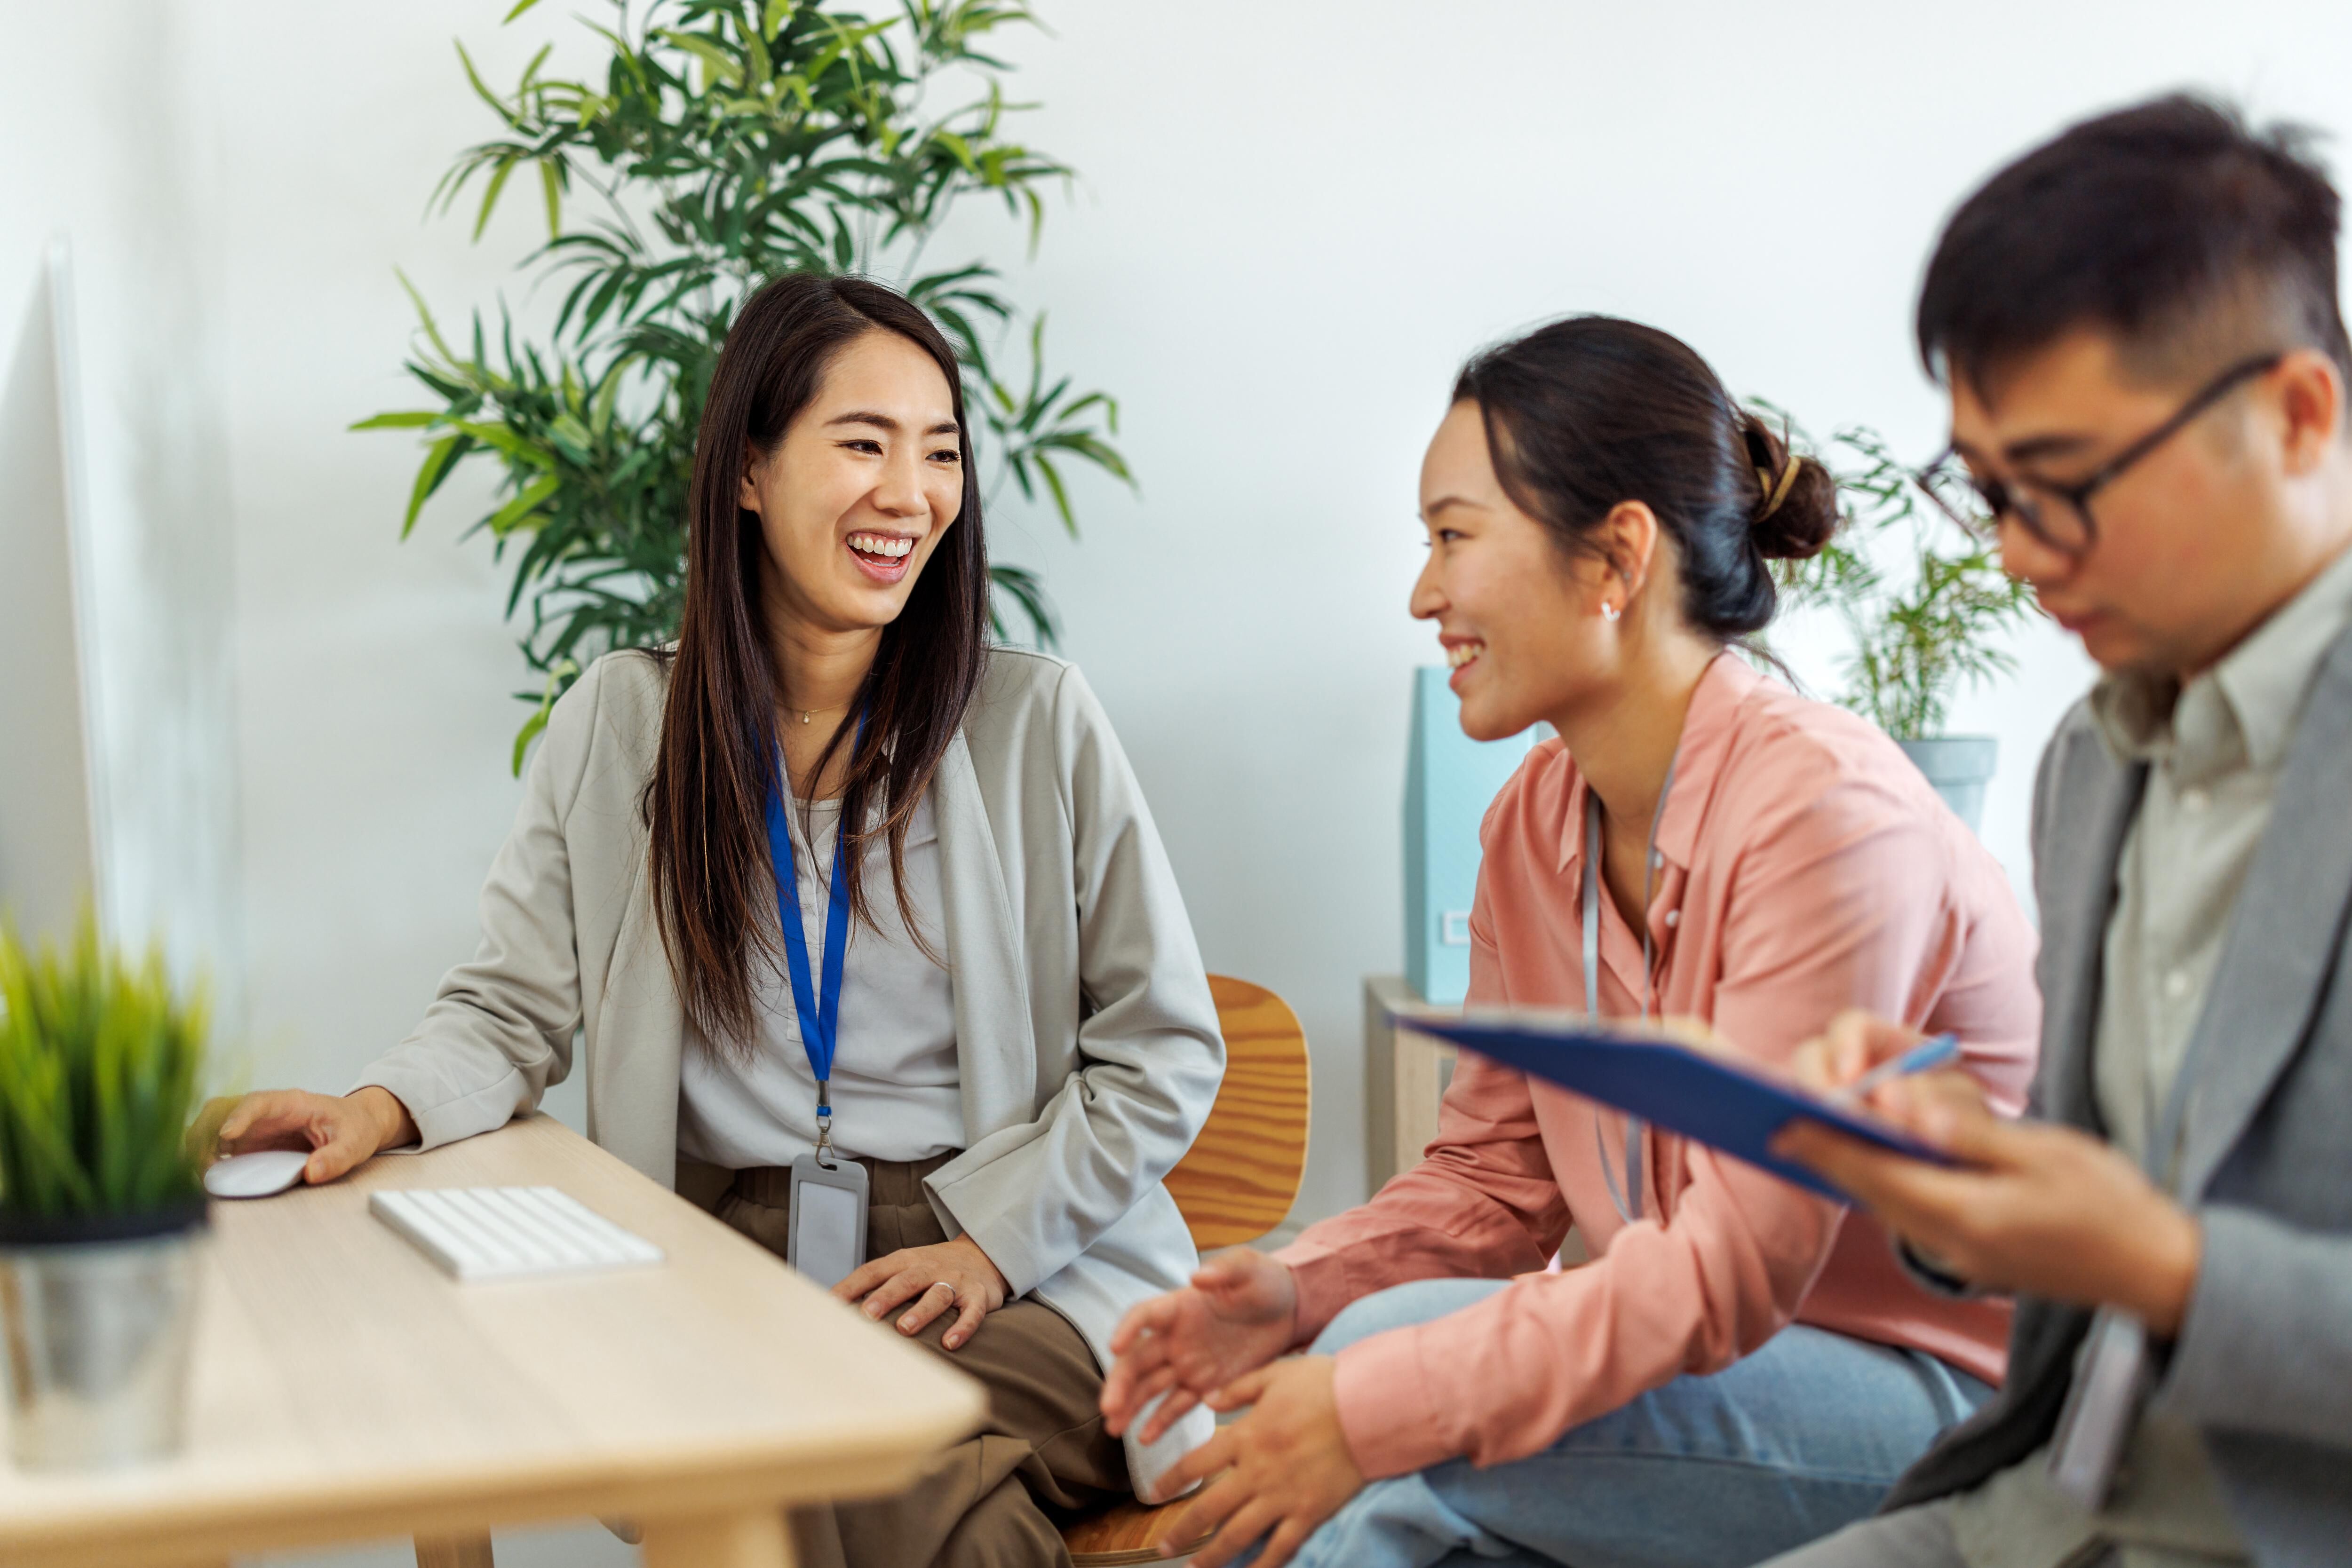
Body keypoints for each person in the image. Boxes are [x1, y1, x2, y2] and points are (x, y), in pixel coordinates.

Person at [216, 273, 1224, 1568]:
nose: (909, 494)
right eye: (863, 444)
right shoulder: (623, 723)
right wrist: (381, 1106)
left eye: (940, 454)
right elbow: (509, 1009)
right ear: (748, 471)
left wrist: (989, 1238)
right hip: (721, 1260)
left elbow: (1167, 1050)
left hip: (1018, 1255)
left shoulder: (1033, 723)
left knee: (856, 1455)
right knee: (906, 1491)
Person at [1098, 316, 2043, 1568]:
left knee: (1389, 1416)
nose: (1423, 593)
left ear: (1615, 559)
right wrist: (1298, 1287)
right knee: (1365, 1461)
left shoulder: (1827, 817)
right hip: (1731, 1374)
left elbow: (1729, 1270)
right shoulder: (1530, 827)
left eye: (1452, 536)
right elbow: (1492, 1188)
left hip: (1944, 1399)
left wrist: (1367, 1402)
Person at [1766, 95, 2352, 1568]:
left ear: (2297, 415)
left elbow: (2157, 1248)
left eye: (2064, 484)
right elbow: (2093, 1225)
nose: (2020, 555)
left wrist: (2166, 1268)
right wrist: (1962, 1181)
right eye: (1987, 492)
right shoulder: (2092, 763)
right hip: (2042, 1513)